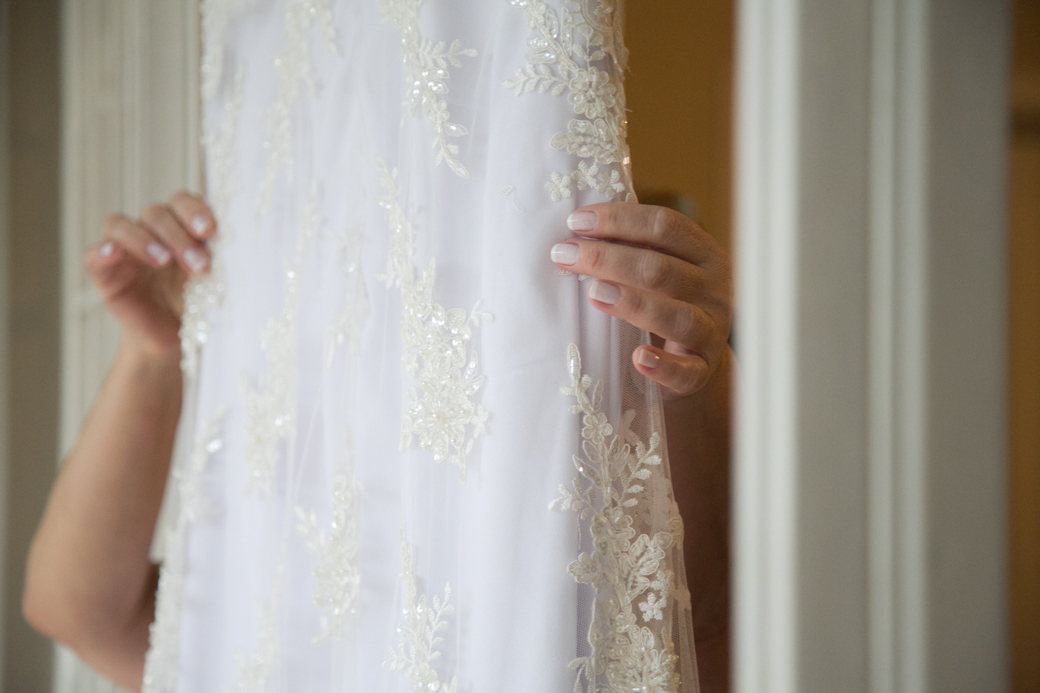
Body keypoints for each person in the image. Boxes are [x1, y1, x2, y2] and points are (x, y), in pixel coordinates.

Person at [24, 2, 733, 692]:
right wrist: (155, 353)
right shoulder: (304, 576)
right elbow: (84, 613)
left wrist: (688, 385)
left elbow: (700, 644)